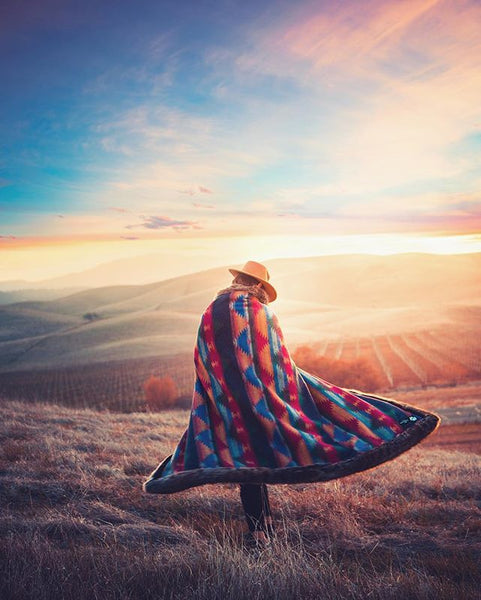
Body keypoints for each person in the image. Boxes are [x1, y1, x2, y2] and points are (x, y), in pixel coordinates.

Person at [144, 260, 440, 550]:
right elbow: (278, 362)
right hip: (262, 402)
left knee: (246, 461)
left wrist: (217, 396)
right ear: (259, 285)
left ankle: (260, 531)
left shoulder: (210, 312)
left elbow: (203, 359)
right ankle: (264, 530)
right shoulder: (261, 312)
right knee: (261, 456)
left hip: (226, 403)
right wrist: (292, 392)